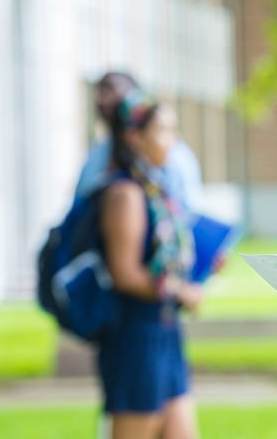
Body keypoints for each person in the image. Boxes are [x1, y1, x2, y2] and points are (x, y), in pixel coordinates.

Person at [97, 90, 202, 439]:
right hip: (135, 337)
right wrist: (180, 290)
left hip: (166, 331)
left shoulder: (156, 187)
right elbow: (124, 273)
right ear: (133, 136)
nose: (173, 140)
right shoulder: (125, 193)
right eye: (164, 130)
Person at [76, 71, 206, 215]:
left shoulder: (173, 158)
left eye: (111, 89)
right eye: (101, 92)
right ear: (134, 137)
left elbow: (190, 212)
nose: (103, 100)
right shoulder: (125, 191)